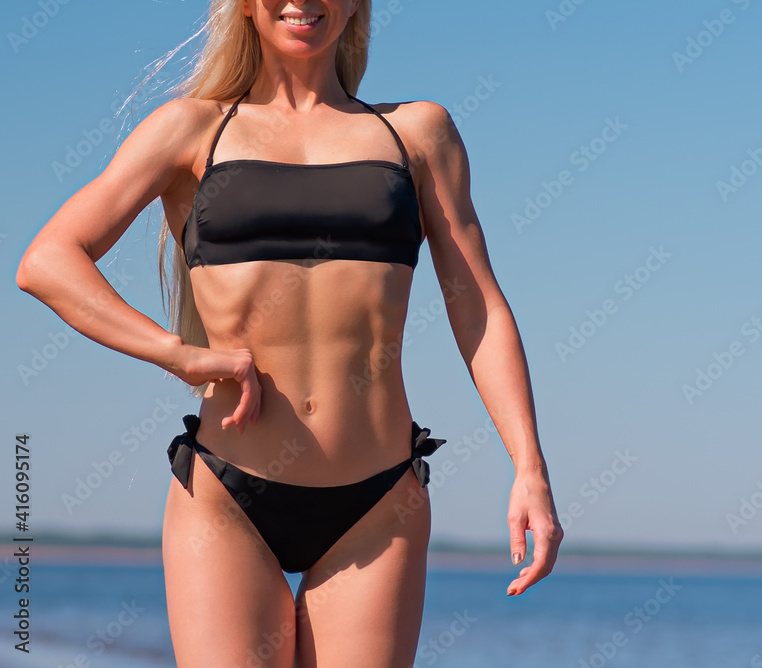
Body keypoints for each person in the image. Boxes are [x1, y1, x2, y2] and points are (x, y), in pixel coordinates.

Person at [14, 0, 563, 665]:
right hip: (228, 494)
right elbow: (48, 261)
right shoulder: (190, 130)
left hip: (376, 505)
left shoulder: (417, 133)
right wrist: (178, 354)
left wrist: (528, 468)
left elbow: (478, 307)